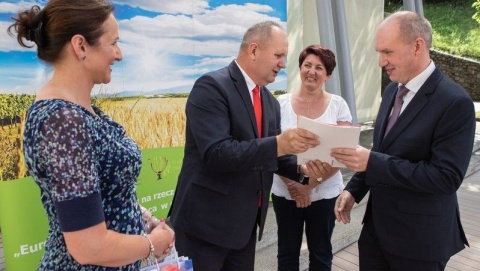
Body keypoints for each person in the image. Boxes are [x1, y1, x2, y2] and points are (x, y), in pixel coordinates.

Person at [8, 1, 174, 270]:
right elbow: (88, 245)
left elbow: (103, 193)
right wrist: (151, 243)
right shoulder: (62, 121)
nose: (119, 54)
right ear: (80, 46)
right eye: (114, 42)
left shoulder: (80, 112)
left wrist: (141, 218)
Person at [168, 21, 324, 271]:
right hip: (204, 228)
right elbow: (217, 153)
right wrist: (278, 143)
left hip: (244, 229)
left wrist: (303, 170)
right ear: (253, 50)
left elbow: (273, 155)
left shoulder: (270, 103)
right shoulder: (211, 87)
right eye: (278, 55)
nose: (283, 64)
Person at [331, 11, 475, 271]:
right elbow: (382, 151)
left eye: (387, 52)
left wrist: (371, 161)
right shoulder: (390, 92)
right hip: (376, 233)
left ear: (417, 46)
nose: (380, 62)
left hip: (420, 242)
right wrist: (354, 189)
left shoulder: (455, 102)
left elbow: (446, 178)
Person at [271, 44, 352, 271]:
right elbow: (272, 148)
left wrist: (309, 186)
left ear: (328, 75)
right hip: (286, 191)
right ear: (300, 68)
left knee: (321, 253)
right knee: (286, 253)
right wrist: (295, 184)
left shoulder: (338, 106)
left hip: (325, 194)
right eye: (307, 65)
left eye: (319, 67)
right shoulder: (280, 105)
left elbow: (342, 154)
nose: (312, 72)